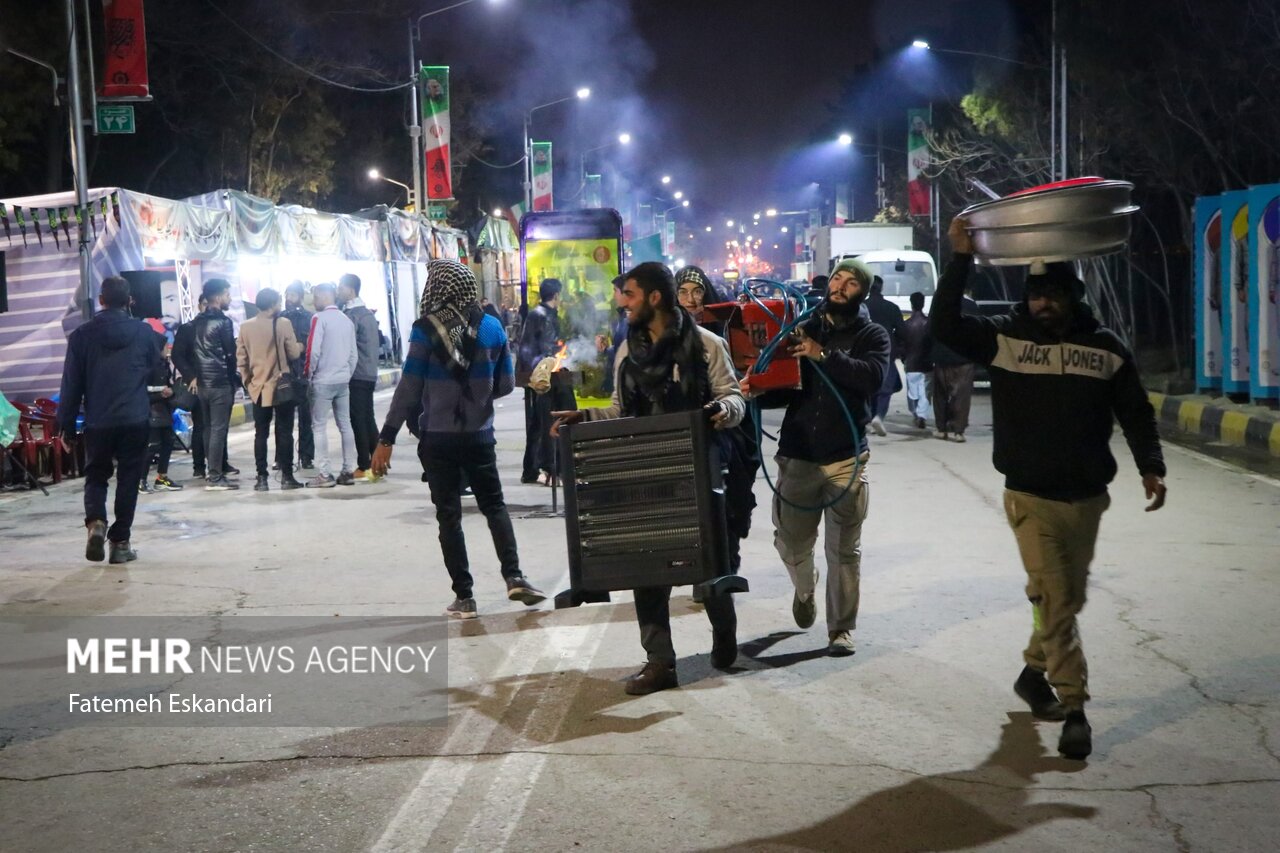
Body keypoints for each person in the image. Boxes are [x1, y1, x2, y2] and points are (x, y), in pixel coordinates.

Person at [930, 216, 1169, 761]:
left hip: (1087, 500)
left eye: (1054, 294)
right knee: (1057, 600)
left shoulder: (1106, 348)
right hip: (1030, 498)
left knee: (1066, 600)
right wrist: (961, 256)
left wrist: (1150, 465)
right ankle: (1075, 707)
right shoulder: (1005, 342)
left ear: (1072, 296)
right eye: (1035, 294)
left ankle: (1033, 675)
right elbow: (945, 323)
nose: (1043, 304)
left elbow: (1135, 412)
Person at [553, 262, 747, 695]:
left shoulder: (707, 346)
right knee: (647, 565)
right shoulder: (628, 354)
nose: (622, 302)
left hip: (699, 469)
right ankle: (661, 661)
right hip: (645, 471)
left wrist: (722, 413)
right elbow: (623, 413)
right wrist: (582, 417)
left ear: (654, 298)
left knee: (710, 562)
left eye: (631, 294)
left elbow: (733, 398)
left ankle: (724, 634)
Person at [371, 260, 545, 619]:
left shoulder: (425, 330)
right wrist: (478, 394)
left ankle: (464, 597)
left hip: (438, 438)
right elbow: (507, 385)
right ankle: (514, 576)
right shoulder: (493, 327)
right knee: (494, 507)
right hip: (479, 437)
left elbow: (409, 387)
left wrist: (386, 437)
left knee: (448, 516)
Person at [745, 258, 890, 657]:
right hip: (799, 455)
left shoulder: (872, 334)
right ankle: (805, 589)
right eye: (838, 279)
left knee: (844, 549)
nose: (841, 286)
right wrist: (756, 387)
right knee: (791, 542)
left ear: (863, 291)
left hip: (846, 457)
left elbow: (873, 377)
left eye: (851, 282)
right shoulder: (803, 327)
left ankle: (841, 629)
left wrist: (823, 355)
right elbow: (784, 384)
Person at [57, 276, 161, 563]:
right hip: (135, 417)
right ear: (129, 302)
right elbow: (154, 370)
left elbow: (71, 383)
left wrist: (65, 424)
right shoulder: (143, 332)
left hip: (99, 419)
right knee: (129, 479)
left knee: (96, 474)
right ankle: (121, 543)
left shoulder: (81, 336)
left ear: (101, 300)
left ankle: (96, 523)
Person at [678, 264, 760, 574]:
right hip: (686, 429)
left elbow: (746, 367)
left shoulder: (724, 329)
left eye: (697, 291)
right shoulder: (663, 335)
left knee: (732, 498)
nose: (690, 299)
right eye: (683, 292)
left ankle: (727, 565)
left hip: (729, 423)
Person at [237, 288, 305, 491]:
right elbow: (293, 354)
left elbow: (242, 359)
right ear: (274, 304)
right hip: (281, 387)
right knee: (284, 432)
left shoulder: (245, 327)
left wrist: (248, 382)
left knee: (260, 434)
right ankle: (286, 476)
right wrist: (300, 346)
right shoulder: (283, 323)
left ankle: (261, 478)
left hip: (258, 388)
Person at [172, 294, 233, 479]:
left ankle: (220, 464)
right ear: (199, 305)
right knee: (203, 427)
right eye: (205, 304)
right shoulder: (189, 328)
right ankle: (200, 467)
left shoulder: (216, 325)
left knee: (217, 427)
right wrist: (191, 377)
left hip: (211, 381)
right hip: (198, 384)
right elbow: (177, 356)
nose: (208, 308)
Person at [304, 282, 358, 488]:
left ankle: (325, 474)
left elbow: (313, 352)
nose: (314, 301)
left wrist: (310, 376)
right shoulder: (346, 320)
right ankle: (348, 470)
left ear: (324, 297)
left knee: (318, 427)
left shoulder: (318, 318)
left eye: (315, 297)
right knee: (345, 425)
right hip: (343, 380)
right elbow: (353, 355)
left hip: (323, 381)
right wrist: (346, 374)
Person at [189, 279, 240, 491]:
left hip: (203, 384)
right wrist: (234, 377)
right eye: (228, 295)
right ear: (218, 297)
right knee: (219, 429)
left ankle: (212, 471)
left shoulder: (196, 322)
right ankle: (215, 476)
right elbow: (230, 354)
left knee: (208, 428)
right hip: (220, 382)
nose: (229, 299)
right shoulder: (223, 322)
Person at [516, 278, 563, 484]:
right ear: (556, 295)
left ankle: (530, 469)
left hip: (533, 373)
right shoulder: (545, 316)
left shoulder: (537, 313)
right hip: (543, 376)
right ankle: (549, 467)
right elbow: (546, 348)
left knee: (536, 423)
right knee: (546, 422)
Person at [338, 273, 381, 481]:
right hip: (370, 372)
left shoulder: (352, 315)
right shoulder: (367, 314)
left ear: (350, 289)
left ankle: (364, 465)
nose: (339, 291)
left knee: (358, 419)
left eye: (341, 287)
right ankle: (378, 463)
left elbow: (346, 345)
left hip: (357, 373)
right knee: (368, 418)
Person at [930, 288, 980, 442]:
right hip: (964, 358)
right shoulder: (972, 306)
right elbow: (978, 330)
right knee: (962, 396)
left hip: (942, 357)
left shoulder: (939, 304)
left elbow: (931, 329)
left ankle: (942, 428)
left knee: (940, 395)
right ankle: (959, 432)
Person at [143, 332, 184, 493]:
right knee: (152, 447)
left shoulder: (163, 364)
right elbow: (141, 392)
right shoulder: (147, 367)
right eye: (165, 345)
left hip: (164, 411)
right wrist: (160, 394)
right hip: (152, 412)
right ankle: (141, 480)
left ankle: (162, 477)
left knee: (167, 443)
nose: (167, 348)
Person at [281, 282, 315, 469]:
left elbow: (311, 344)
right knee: (283, 420)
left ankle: (306, 456)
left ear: (300, 297)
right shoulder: (279, 318)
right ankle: (282, 458)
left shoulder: (309, 318)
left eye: (293, 294)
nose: (289, 298)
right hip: (283, 375)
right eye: (287, 294)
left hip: (302, 372)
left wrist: (300, 347)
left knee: (306, 419)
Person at [865, 275, 904, 436]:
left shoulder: (861, 306)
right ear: (881, 288)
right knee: (885, 388)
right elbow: (902, 331)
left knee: (867, 387)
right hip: (886, 353)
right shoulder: (891, 307)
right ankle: (879, 416)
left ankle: (867, 419)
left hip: (865, 352)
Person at [900, 291, 934, 430]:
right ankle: (922, 416)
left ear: (911, 303)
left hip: (911, 363)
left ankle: (915, 414)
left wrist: (904, 358)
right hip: (926, 363)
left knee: (913, 393)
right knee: (925, 393)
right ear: (923, 303)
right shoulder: (929, 324)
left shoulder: (906, 324)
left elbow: (902, 345)